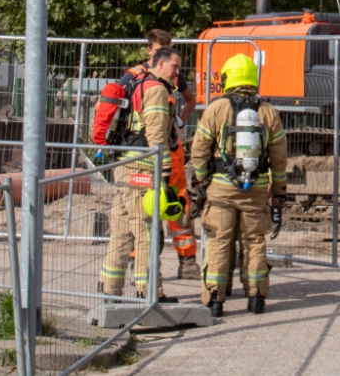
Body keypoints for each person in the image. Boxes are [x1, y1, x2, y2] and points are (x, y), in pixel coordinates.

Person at [190, 53, 287, 317]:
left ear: (227, 79)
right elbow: (279, 160)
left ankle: (215, 300)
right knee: (254, 241)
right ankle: (256, 297)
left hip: (220, 189)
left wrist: (202, 180)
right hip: (255, 189)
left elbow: (199, 149)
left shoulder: (216, 109)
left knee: (219, 241)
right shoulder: (268, 112)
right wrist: (278, 192)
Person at [99, 47, 182, 301]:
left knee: (122, 230)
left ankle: (110, 290)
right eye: (175, 67)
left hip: (123, 166)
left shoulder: (137, 84)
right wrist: (164, 172)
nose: (178, 72)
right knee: (146, 230)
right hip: (142, 168)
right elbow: (157, 135)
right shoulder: (156, 89)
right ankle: (148, 293)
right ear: (160, 64)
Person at [120, 29, 198, 280]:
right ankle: (139, 261)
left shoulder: (175, 77)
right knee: (141, 210)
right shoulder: (133, 76)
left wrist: (178, 124)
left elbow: (190, 101)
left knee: (177, 202)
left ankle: (187, 261)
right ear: (150, 52)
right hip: (141, 155)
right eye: (159, 50)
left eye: (168, 49)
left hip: (170, 152)